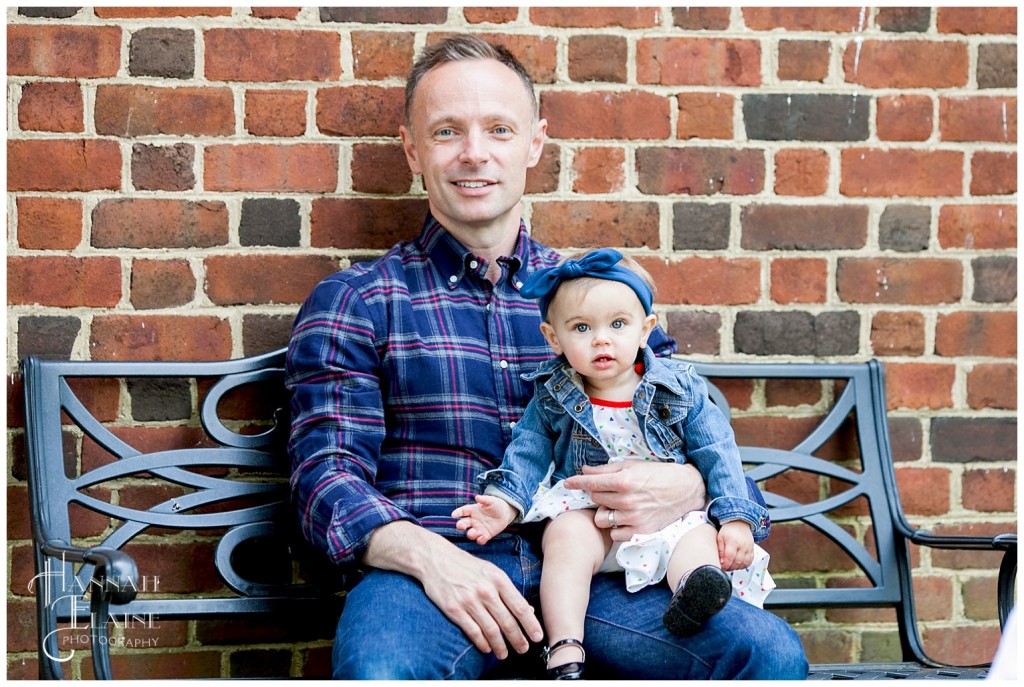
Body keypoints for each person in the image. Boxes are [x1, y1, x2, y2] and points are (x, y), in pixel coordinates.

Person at [286, 33, 808, 680]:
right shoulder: (360, 301)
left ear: (534, 142)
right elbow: (325, 479)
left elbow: (705, 435)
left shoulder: (598, 298)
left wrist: (692, 486)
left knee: (768, 652)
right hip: (435, 569)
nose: (474, 153)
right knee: (380, 672)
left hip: (609, 569)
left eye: (498, 129)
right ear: (412, 149)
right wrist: (425, 557)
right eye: (447, 131)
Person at [452, 248, 775, 678]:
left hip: (671, 518)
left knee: (698, 541)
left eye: (618, 325)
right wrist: (504, 503)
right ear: (553, 339)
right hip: (592, 516)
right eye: (582, 328)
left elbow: (719, 452)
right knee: (564, 540)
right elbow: (527, 452)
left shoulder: (678, 389)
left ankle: (692, 596)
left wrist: (736, 519)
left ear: (646, 330)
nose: (601, 339)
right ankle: (565, 646)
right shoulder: (553, 393)